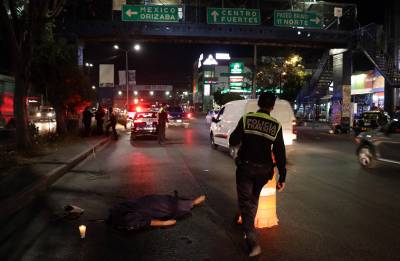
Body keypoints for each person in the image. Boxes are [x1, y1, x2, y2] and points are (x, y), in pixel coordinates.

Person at [229, 92, 287, 257]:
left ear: (259, 103)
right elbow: (280, 153)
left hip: (246, 168)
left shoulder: (247, 119)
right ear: (272, 107)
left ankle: (252, 240)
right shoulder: (276, 125)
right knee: (253, 199)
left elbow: (233, 140)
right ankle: (246, 220)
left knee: (246, 201)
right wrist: (282, 177)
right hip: (264, 171)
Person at [107, 192, 206, 230]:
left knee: (170, 205)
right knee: (168, 202)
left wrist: (164, 223)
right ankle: (191, 202)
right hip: (152, 201)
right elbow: (148, 222)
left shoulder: (126, 218)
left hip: (156, 205)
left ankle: (192, 202)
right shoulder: (119, 209)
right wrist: (164, 223)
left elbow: (148, 222)